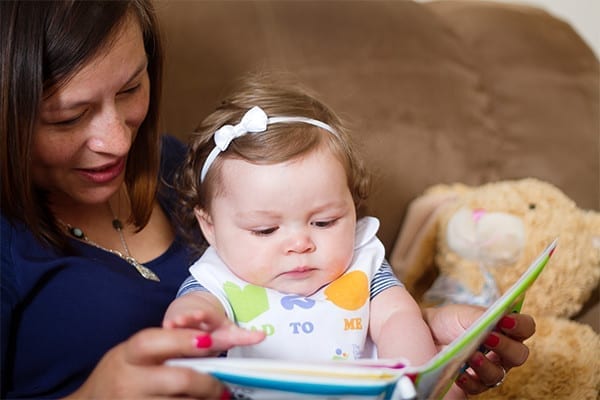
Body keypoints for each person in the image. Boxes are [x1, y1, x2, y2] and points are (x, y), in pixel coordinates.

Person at [1, 1, 535, 398]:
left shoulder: (196, 171)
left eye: (130, 89)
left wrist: (421, 340)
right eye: (66, 117)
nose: (118, 141)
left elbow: (327, 293)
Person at [164, 78, 438, 369]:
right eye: (265, 230)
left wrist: (418, 379)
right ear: (211, 228)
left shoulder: (362, 262)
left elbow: (398, 317)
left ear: (352, 206)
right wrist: (193, 325)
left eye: (324, 222)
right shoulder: (217, 278)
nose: (300, 244)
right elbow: (196, 308)